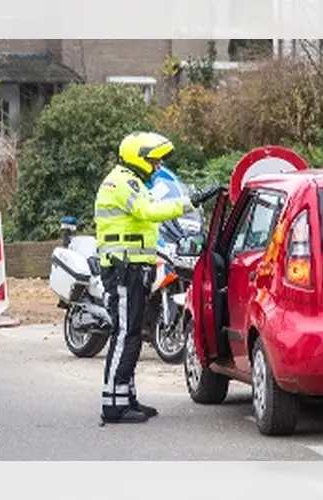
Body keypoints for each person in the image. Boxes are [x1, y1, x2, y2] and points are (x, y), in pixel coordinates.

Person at [94, 131, 221, 424]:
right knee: (125, 334)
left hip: (133, 266)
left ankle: (126, 397)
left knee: (132, 335)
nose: (157, 165)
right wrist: (191, 201)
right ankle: (113, 404)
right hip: (123, 268)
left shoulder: (133, 180)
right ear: (139, 158)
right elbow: (149, 211)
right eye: (154, 160)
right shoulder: (122, 182)